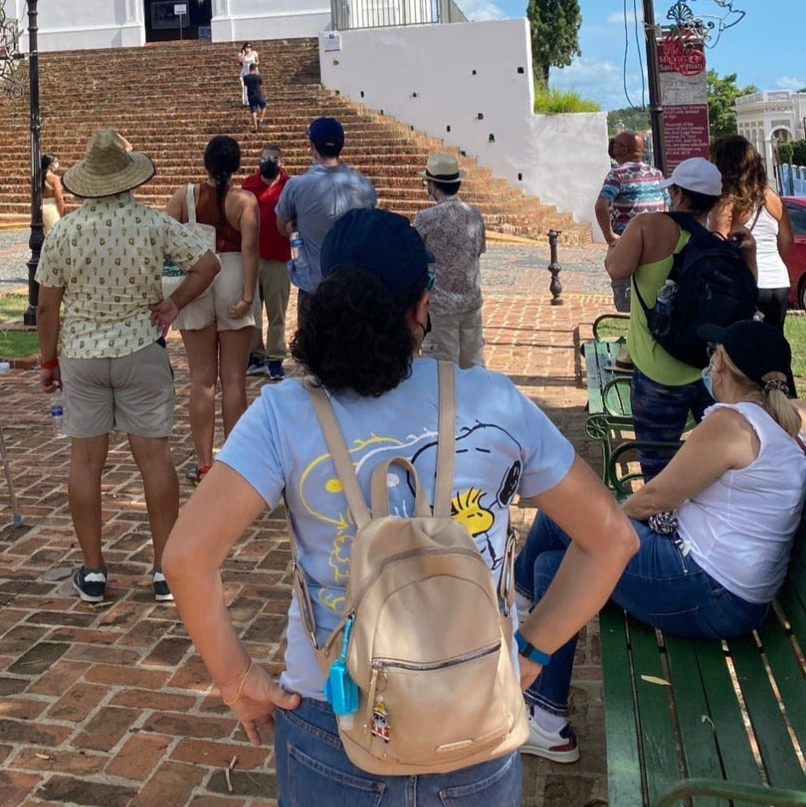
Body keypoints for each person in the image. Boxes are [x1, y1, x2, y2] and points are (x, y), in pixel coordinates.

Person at [163, 207, 637, 801]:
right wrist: (530, 652)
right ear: (422, 305)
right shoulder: (493, 402)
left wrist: (237, 682)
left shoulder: (282, 414)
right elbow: (611, 538)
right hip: (474, 705)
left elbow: (186, 557)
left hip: (331, 707)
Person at [516, 319, 806, 762]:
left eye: (715, 354)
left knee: (568, 516)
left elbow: (654, 497)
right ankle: (547, 720)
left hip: (708, 588)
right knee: (553, 567)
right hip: (731, 595)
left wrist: (607, 526)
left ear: (721, 362)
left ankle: (514, 614)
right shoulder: (782, 426)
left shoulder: (732, 423)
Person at [37, 128, 220, 605]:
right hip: (140, 346)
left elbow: (46, 308)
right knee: (155, 461)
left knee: (84, 463)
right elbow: (207, 265)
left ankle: (94, 570)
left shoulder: (66, 231)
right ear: (128, 177)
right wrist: (173, 304)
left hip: (82, 354)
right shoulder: (151, 223)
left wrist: (49, 358)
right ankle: (163, 570)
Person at [604, 156, 747, 481]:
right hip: (708, 373)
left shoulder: (647, 226)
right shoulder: (717, 244)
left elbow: (616, 269)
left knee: (657, 472)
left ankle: (662, 523)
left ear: (679, 195)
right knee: (715, 469)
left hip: (656, 373)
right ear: (711, 202)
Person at [165, 135, 260, 483]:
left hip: (198, 275)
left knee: (201, 378)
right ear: (235, 166)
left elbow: (165, 240)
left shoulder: (184, 197)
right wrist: (248, 295)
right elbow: (251, 249)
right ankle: (235, 463)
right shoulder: (244, 201)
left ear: (205, 163)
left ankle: (205, 462)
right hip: (234, 275)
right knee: (234, 379)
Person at [275, 116, 377, 325]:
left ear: (312, 146)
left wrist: (298, 223)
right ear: (342, 145)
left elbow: (281, 227)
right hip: (352, 287)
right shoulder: (364, 186)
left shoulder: (296, 186)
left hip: (314, 286)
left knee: (312, 353)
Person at [710, 134, 792, 333]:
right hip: (779, 282)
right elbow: (786, 241)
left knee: (745, 352)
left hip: (749, 283)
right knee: (774, 346)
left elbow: (718, 246)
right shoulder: (771, 197)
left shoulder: (726, 202)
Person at [413, 152, 487, 368]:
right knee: (474, 370)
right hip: (470, 303)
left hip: (440, 308)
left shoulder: (426, 218)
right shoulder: (474, 215)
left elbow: (413, 256)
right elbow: (478, 251)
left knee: (443, 375)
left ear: (433, 184)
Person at [594, 131, 668, 311]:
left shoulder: (617, 175)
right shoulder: (657, 174)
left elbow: (600, 206)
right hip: (656, 248)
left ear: (624, 149)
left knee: (628, 302)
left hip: (628, 245)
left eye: (616, 144)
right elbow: (666, 208)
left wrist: (610, 236)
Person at [242, 144, 291, 382]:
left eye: (273, 158)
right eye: (264, 158)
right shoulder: (248, 185)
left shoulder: (289, 186)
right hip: (252, 256)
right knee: (252, 311)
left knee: (277, 311)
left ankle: (275, 359)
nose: (268, 162)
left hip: (278, 258)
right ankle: (255, 356)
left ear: (281, 162)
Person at [41, 153, 67, 235]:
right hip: (53, 209)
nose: (57, 163)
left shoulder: (40, 177)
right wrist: (63, 214)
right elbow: (59, 199)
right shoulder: (54, 179)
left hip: (43, 208)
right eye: (55, 162)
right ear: (49, 165)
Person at [242, 61, 267, 131]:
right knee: (264, 106)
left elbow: (245, 84)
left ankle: (255, 128)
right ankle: (261, 120)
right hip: (259, 94)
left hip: (251, 95)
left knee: (253, 111)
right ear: (255, 69)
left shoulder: (246, 77)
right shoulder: (258, 76)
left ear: (249, 69)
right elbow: (261, 83)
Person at [237, 41, 258, 106]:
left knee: (255, 86)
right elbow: (240, 61)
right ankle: (246, 100)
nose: (248, 48)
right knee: (245, 87)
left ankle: (255, 99)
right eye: (247, 47)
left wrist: (253, 65)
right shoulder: (240, 54)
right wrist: (243, 54)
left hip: (253, 70)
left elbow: (257, 61)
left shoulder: (254, 53)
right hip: (245, 71)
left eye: (250, 47)